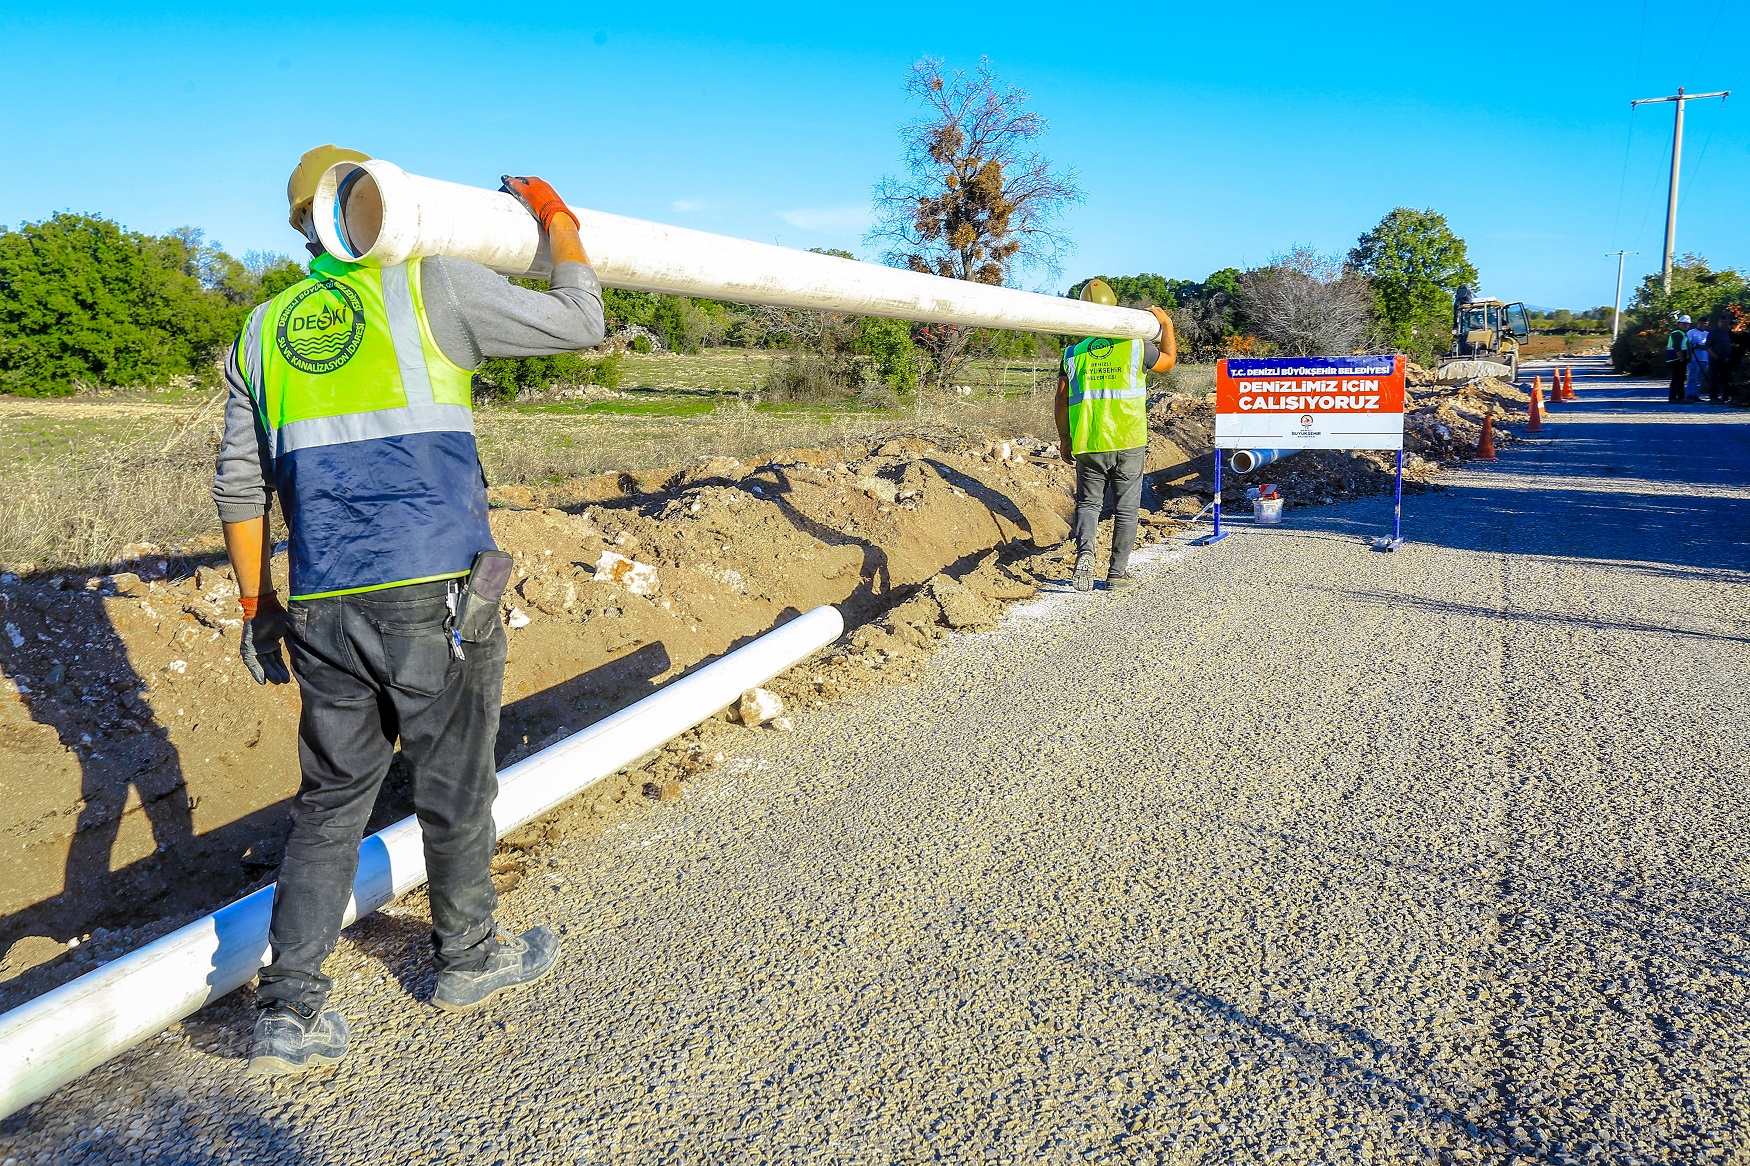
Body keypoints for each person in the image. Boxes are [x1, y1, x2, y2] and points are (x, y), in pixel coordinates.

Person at [211, 145, 606, 1076]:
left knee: (329, 804)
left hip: (320, 603)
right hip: (435, 597)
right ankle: (467, 958)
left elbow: (238, 487)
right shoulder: (434, 286)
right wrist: (559, 220)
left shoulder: (261, 332)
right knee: (455, 783)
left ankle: (289, 1011)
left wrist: (258, 607)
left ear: (304, 224)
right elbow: (582, 320)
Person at [1054, 280, 1175, 592]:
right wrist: (1166, 325)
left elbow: (1061, 399)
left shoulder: (1072, 354)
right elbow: (1168, 362)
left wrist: (1065, 438)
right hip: (1128, 440)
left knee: (1088, 504)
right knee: (1126, 509)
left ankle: (1085, 553)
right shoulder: (1136, 346)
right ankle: (1116, 574)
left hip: (1089, 441)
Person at [1705, 312, 1734, 403]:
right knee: (1715, 377)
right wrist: (1716, 357)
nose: (1723, 324)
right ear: (1718, 322)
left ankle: (1725, 396)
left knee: (1725, 378)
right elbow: (1707, 346)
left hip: (1726, 358)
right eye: (1722, 322)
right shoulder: (1713, 332)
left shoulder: (1726, 332)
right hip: (1716, 358)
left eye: (1725, 322)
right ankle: (1713, 397)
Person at [1665, 315, 1691, 404]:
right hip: (1676, 359)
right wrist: (1682, 358)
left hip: (1678, 359)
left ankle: (1675, 397)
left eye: (1687, 324)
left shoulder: (1682, 333)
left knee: (1679, 378)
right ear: (1679, 324)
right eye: (1683, 323)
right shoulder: (1677, 333)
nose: (1685, 325)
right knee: (1678, 379)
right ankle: (1679, 398)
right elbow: (1677, 347)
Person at [1686, 316, 1710, 401]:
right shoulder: (1691, 332)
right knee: (1692, 377)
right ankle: (1689, 394)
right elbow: (1687, 343)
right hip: (1694, 358)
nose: (1703, 325)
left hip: (1705, 359)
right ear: (1697, 323)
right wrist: (1697, 346)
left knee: (1700, 378)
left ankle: (1695, 395)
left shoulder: (1708, 334)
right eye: (1701, 323)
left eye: (1705, 323)